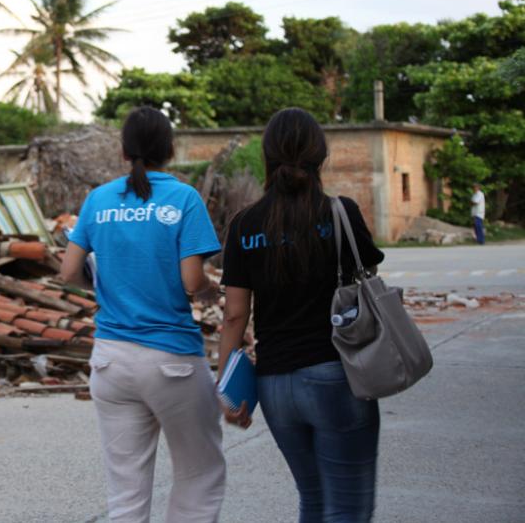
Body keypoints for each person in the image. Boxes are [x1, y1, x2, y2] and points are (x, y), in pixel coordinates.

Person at [218, 108, 385, 523]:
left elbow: (235, 318)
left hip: (275, 386)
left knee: (312, 501)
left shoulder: (243, 225)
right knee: (347, 510)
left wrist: (227, 391)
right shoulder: (339, 212)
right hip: (337, 376)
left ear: (268, 156)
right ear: (320, 156)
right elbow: (368, 276)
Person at [61, 106, 226, 523]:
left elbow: (67, 272)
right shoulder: (184, 198)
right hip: (173, 362)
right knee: (199, 473)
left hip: (111, 360)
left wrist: (106, 286)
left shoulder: (99, 200)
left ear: (123, 151)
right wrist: (211, 290)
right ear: (170, 149)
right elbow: (192, 281)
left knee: (126, 492)